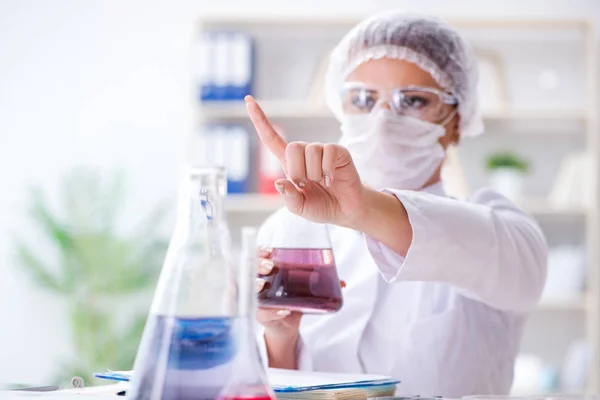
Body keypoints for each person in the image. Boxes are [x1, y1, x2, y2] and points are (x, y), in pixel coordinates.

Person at [246, 10, 548, 397]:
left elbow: (506, 264)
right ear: (342, 109)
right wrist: (279, 334)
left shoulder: (502, 231)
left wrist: (361, 208)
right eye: (361, 98)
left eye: (414, 100)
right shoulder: (291, 230)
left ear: (457, 120)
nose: (383, 118)